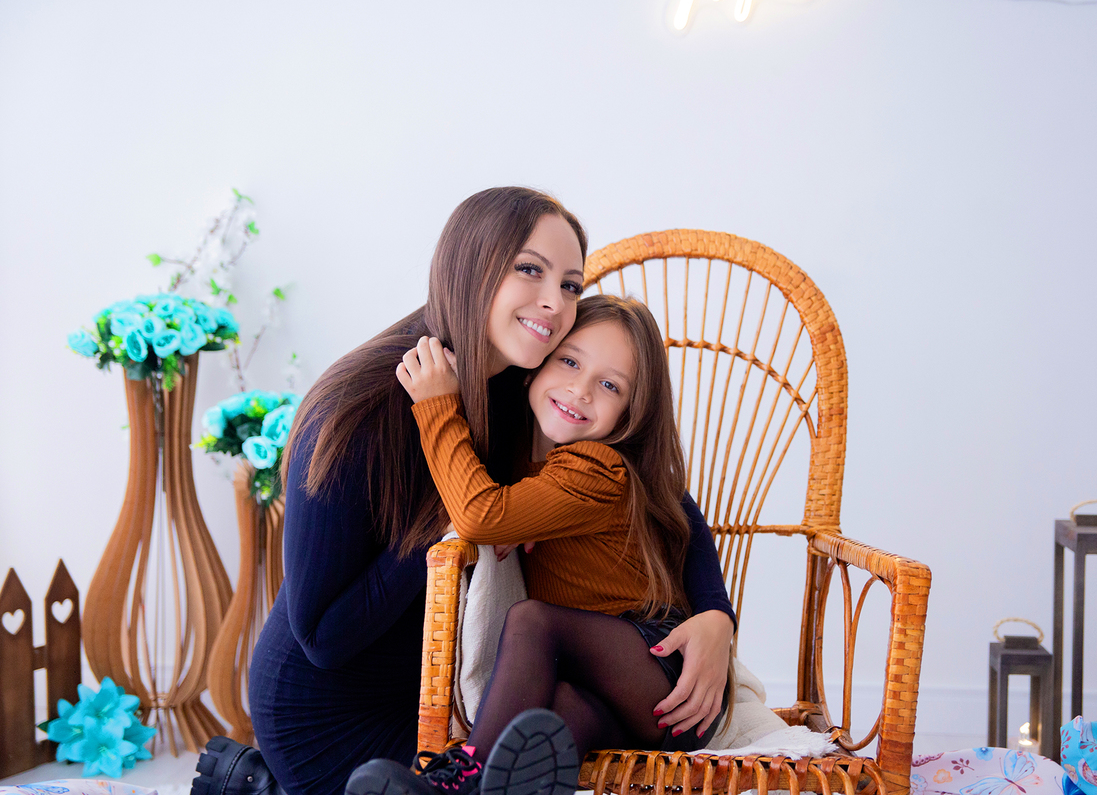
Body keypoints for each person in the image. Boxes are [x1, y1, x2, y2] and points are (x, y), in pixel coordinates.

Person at [191, 188, 735, 795]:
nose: (554, 303)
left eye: (572, 285)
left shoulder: (530, 385)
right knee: (492, 774)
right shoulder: (359, 411)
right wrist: (457, 525)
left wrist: (716, 614)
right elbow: (322, 641)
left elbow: (655, 492)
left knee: (533, 757)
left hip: (457, 701)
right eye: (530, 270)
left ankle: (254, 787)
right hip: (330, 715)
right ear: (470, 266)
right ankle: (272, 783)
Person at [346, 295, 732, 795]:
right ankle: (490, 787)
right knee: (554, 722)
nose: (580, 389)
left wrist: (437, 403)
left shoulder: (599, 467)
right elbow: (497, 508)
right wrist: (521, 514)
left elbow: (481, 515)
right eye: (570, 361)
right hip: (620, 705)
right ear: (535, 366)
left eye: (610, 385)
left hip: (667, 675)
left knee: (532, 620)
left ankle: (459, 777)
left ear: (630, 416)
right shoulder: (526, 461)